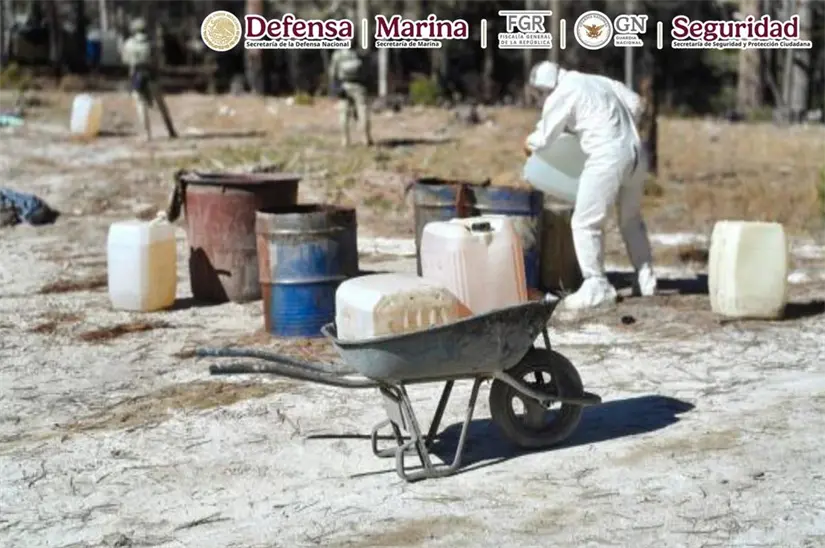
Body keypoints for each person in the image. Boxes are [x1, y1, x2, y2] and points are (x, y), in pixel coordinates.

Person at [525, 61, 657, 310]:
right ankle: (646, 279)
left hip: (607, 155)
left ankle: (596, 285)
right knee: (630, 220)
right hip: (637, 152)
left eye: (539, 94)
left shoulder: (563, 92)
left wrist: (528, 143)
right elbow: (637, 105)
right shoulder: (597, 80)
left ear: (544, 88)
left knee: (585, 221)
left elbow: (544, 137)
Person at [119, 18, 177, 140]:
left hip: (137, 76)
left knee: (141, 104)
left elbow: (125, 60)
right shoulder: (153, 43)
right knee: (161, 104)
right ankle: (171, 130)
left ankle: (147, 134)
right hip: (152, 76)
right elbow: (159, 60)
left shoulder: (129, 44)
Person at [328, 48, 373, 147]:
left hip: (343, 86)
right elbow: (368, 70)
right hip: (359, 85)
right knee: (363, 111)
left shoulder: (338, 54)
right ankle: (366, 138)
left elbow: (333, 73)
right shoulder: (361, 54)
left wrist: (334, 88)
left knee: (343, 113)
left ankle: (345, 140)